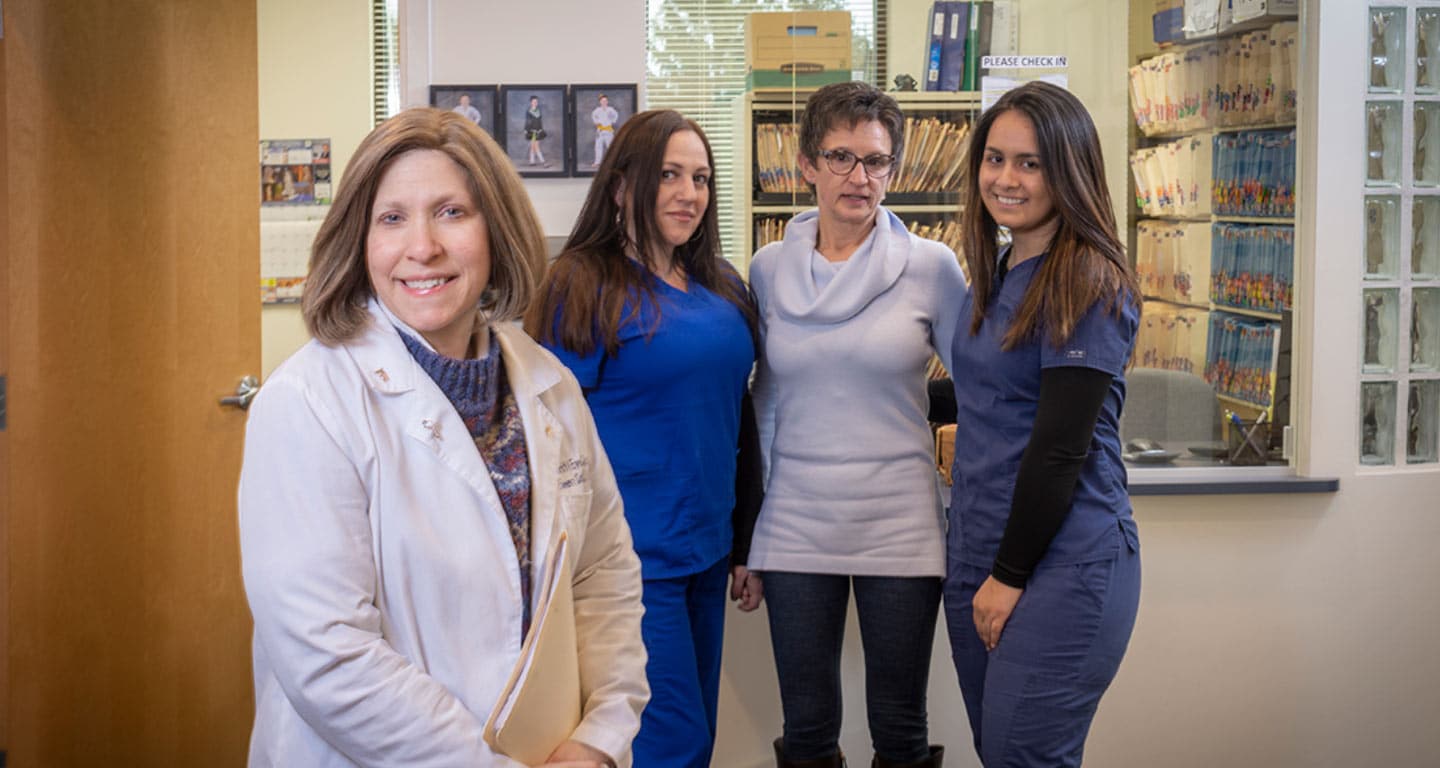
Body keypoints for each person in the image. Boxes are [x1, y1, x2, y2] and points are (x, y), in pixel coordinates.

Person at [238, 107, 648, 768]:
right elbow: (326, 648)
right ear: (359, 241)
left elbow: (603, 578)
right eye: (392, 218)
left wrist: (598, 739)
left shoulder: (550, 386)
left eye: (452, 212)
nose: (422, 247)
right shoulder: (306, 403)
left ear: (496, 230)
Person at [526, 109, 763, 768]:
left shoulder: (722, 283)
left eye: (701, 177)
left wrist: (745, 541)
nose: (690, 193)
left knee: (699, 737)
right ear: (624, 185)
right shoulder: (582, 283)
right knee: (669, 742)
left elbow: (737, 418)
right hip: (629, 561)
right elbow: (546, 436)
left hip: (708, 551)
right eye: (669, 175)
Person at [747, 81, 965, 768]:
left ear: (893, 171)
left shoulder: (933, 268)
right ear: (807, 163)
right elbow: (762, 404)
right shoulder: (766, 270)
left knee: (900, 726)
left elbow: (982, 396)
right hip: (793, 521)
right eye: (840, 157)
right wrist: (746, 533)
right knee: (807, 728)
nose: (859, 177)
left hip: (900, 519)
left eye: (876, 162)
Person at [943, 80, 1142, 768]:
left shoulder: (1086, 278)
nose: (1006, 178)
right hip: (978, 549)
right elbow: (987, 401)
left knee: (1024, 756)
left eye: (1030, 163)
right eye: (994, 158)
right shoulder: (999, 269)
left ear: (1069, 169)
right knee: (1000, 753)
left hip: (1060, 560)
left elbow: (1060, 447)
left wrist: (1007, 573)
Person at [590, 94, 619, 167]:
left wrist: (612, 121)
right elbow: (593, 116)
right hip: (600, 130)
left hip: (608, 130)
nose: (604, 102)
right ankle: (597, 162)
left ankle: (612, 162)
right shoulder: (597, 110)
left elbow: (616, 115)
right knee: (598, 146)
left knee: (610, 146)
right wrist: (596, 122)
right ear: (600, 102)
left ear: (607, 101)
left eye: (605, 101)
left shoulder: (611, 109)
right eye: (603, 101)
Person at [525, 95, 547, 166]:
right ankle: (543, 162)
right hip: (532, 131)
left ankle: (532, 162)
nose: (535, 103)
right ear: (531, 102)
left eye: (536, 101)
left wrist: (541, 129)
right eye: (534, 101)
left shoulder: (539, 110)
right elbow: (528, 122)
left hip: (538, 131)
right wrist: (526, 129)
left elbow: (540, 121)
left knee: (534, 146)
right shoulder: (528, 111)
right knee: (535, 146)